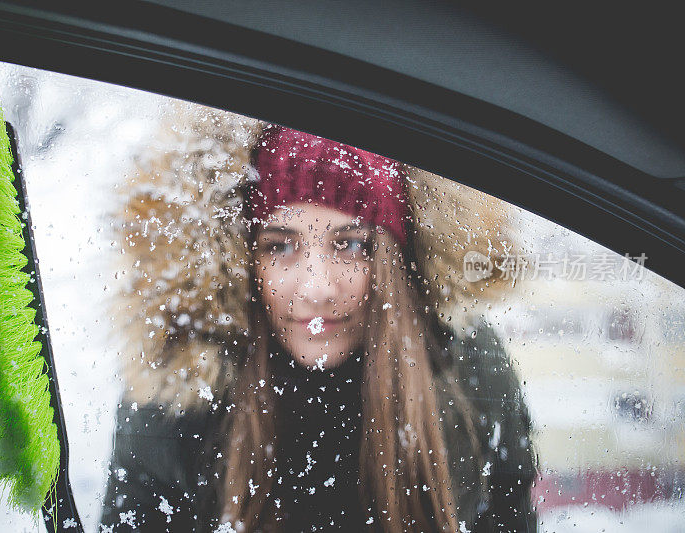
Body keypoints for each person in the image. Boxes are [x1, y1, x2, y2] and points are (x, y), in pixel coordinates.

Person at [100, 119, 536, 532]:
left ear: (395, 263)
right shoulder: (180, 394)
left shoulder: (463, 367)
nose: (317, 289)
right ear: (240, 263)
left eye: (350, 244)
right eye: (280, 246)